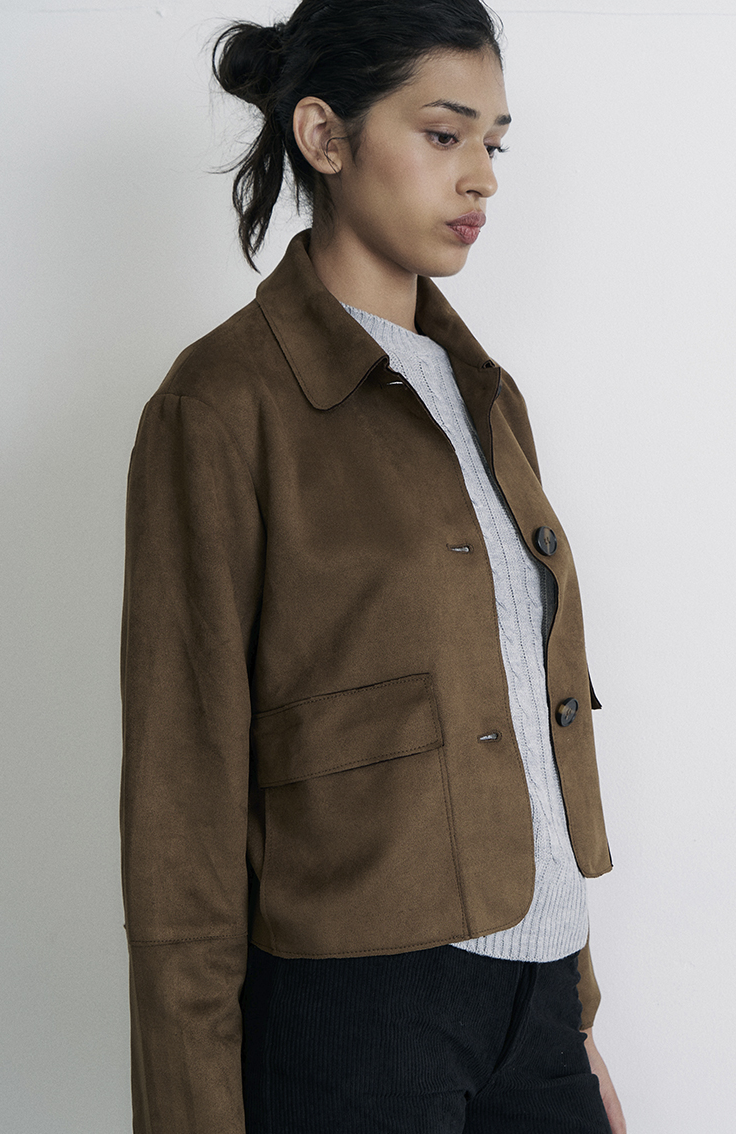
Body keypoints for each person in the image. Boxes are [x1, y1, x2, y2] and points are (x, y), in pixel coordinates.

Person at [120, 1, 627, 1131]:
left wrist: (578, 1023)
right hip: (359, 1011)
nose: (480, 177)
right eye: (443, 134)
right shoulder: (221, 405)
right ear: (324, 136)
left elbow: (524, 716)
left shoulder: (488, 397)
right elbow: (180, 794)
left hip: (539, 999)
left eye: (493, 143)